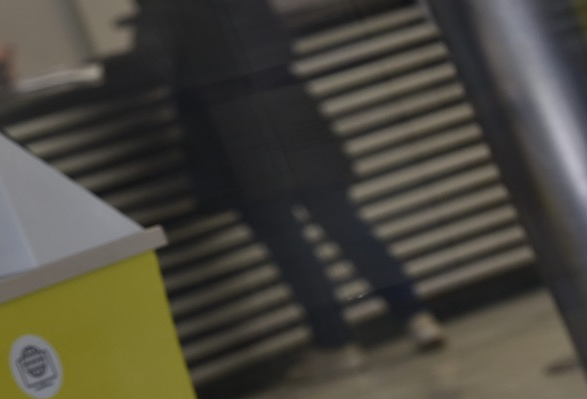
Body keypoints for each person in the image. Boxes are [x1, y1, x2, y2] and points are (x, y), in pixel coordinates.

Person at [110, 0, 445, 364]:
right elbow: (280, 41)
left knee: (291, 248)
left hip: (231, 137)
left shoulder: (161, 6)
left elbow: (152, 66)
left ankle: (336, 342)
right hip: (291, 118)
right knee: (348, 226)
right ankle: (414, 315)